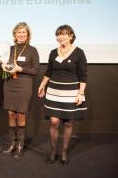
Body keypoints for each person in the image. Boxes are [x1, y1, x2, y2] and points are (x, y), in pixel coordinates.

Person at [38, 25, 87, 164]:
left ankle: (64, 151)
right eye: (58, 34)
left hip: (71, 92)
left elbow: (83, 75)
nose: (61, 37)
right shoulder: (54, 52)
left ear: (71, 36)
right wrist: (42, 85)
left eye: (64, 34)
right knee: (54, 121)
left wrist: (80, 93)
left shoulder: (79, 52)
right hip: (54, 92)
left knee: (68, 123)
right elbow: (49, 72)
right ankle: (53, 150)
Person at [1, 22, 40, 158]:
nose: (21, 34)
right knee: (11, 113)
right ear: (14, 34)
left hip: (24, 85)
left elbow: (35, 70)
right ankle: (12, 143)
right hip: (9, 83)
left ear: (28, 34)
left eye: (24, 32)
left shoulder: (32, 50)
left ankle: (20, 145)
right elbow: (2, 62)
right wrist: (3, 66)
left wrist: (20, 69)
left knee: (21, 115)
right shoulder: (9, 49)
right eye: (19, 32)